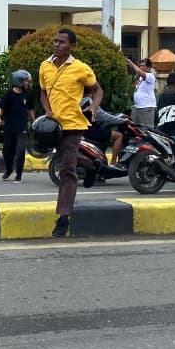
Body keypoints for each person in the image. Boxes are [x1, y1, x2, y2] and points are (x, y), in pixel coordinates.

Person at [39, 27, 102, 237]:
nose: (57, 44)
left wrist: (93, 107)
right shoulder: (45, 66)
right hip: (53, 126)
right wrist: (47, 109)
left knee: (67, 170)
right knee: (67, 157)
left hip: (73, 124)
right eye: (55, 41)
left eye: (62, 42)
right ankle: (92, 165)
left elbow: (97, 89)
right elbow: (43, 92)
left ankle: (63, 217)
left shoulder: (81, 68)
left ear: (72, 46)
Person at [0, 69, 35, 183]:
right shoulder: (9, 94)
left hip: (21, 127)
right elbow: (1, 107)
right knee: (6, 151)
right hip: (9, 127)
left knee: (20, 150)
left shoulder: (27, 95)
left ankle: (19, 175)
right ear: (19, 81)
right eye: (26, 81)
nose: (28, 83)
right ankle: (9, 169)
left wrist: (34, 122)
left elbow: (30, 109)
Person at [127, 57, 157, 128]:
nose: (140, 67)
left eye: (143, 66)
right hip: (137, 107)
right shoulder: (140, 78)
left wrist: (132, 63)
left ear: (148, 68)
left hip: (146, 107)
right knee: (133, 128)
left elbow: (140, 72)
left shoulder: (150, 76)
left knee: (146, 130)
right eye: (140, 66)